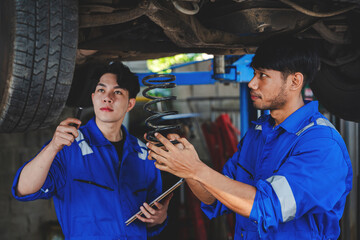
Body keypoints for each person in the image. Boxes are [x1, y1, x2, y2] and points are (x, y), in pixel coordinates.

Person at [146, 37, 353, 239]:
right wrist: (187, 165)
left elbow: (266, 206)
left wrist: (195, 169)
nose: (252, 83)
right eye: (254, 73)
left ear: (294, 81)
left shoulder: (322, 144)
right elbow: (214, 198)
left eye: (263, 75)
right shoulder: (258, 134)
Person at [12, 61, 171, 239]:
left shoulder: (144, 155)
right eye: (102, 90)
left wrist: (159, 218)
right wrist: (52, 147)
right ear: (93, 96)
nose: (107, 97)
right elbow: (23, 189)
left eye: (117, 92)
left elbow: (154, 216)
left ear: (130, 104)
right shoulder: (68, 147)